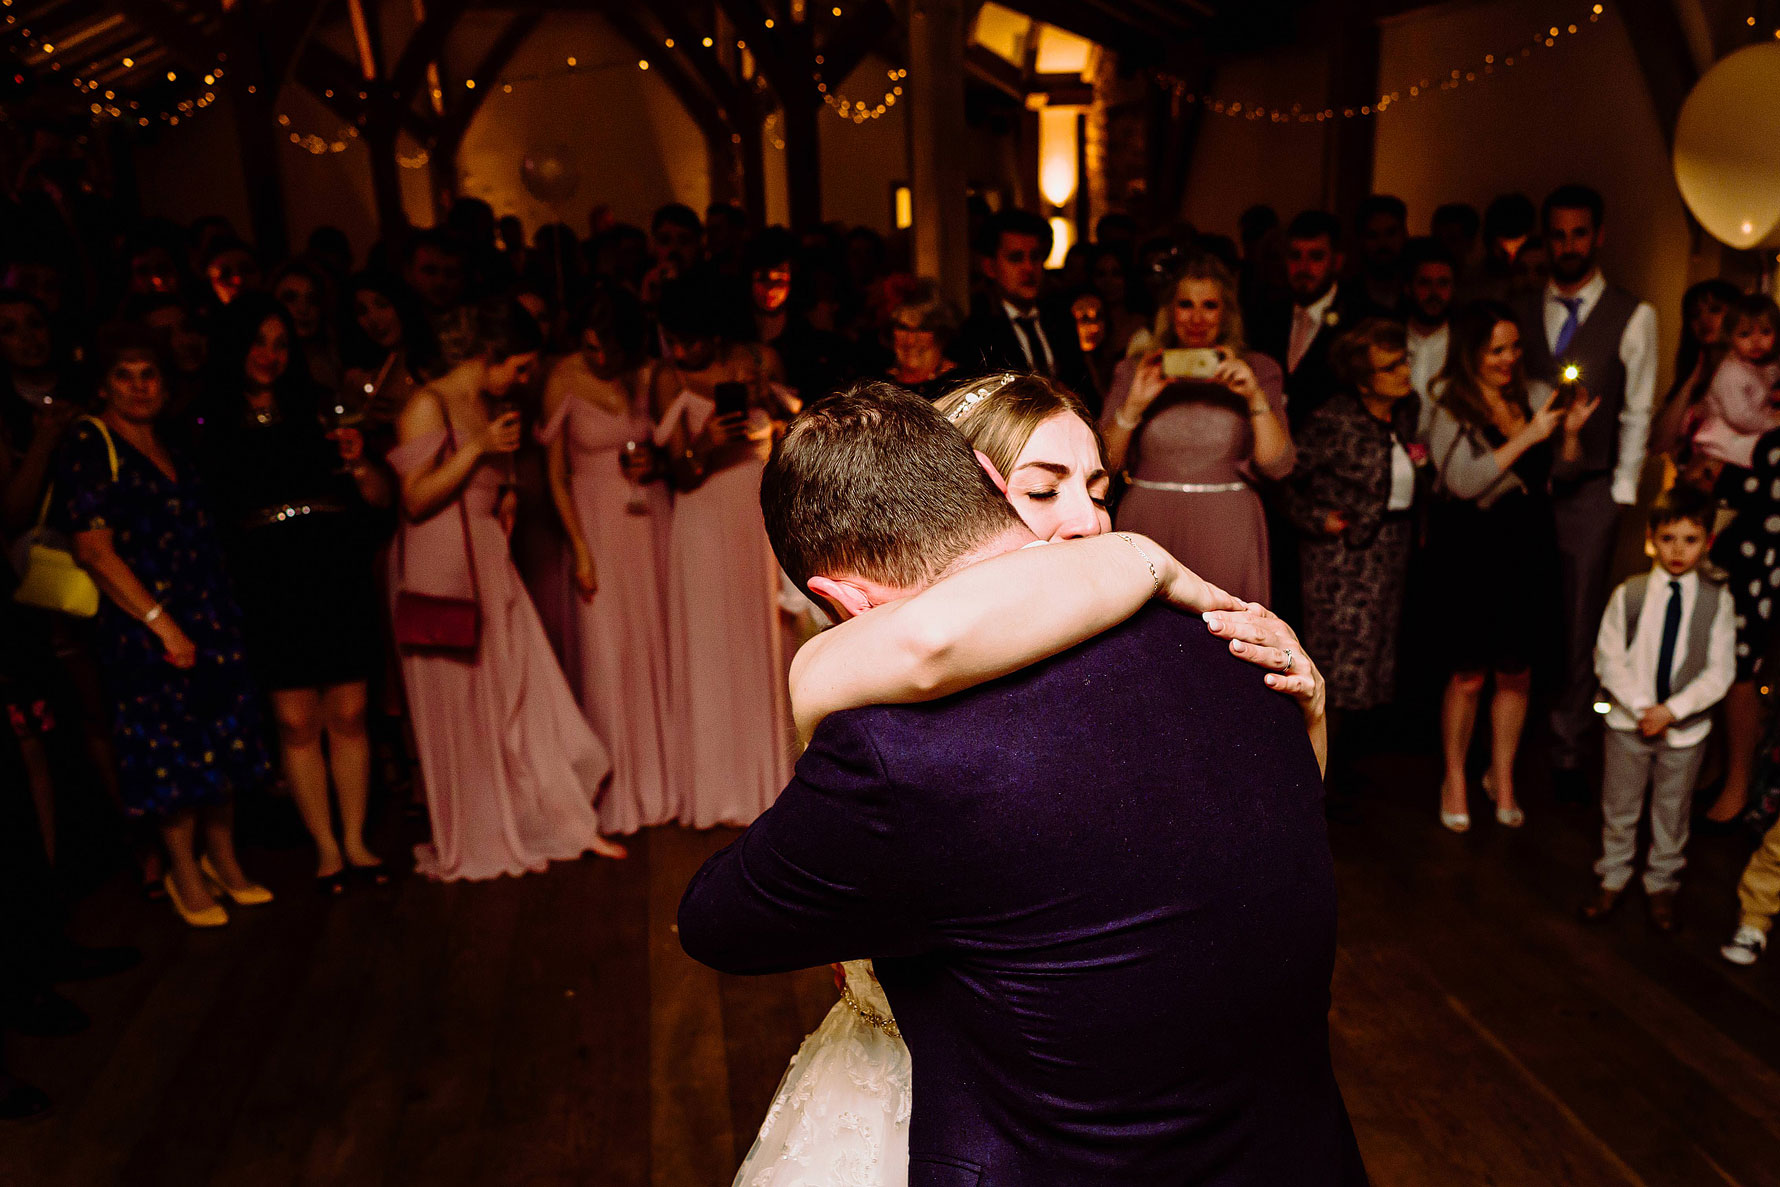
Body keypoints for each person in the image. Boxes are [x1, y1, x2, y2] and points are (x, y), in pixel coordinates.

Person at [683, 382, 1366, 1186]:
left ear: (839, 599)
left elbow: (714, 922)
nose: (1084, 520)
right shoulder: (1240, 646)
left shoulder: (894, 754)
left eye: (1097, 488)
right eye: (1044, 487)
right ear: (986, 479)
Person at [388, 299, 627, 880]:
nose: (525, 381)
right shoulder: (428, 404)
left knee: (526, 692)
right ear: (489, 355)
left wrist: (507, 489)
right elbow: (415, 500)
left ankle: (558, 820)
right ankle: (479, 830)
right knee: (464, 704)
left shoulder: (488, 402)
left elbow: (493, 476)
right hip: (440, 564)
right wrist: (478, 449)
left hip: (491, 556)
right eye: (519, 368)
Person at [55, 323, 275, 925]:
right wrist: (161, 624)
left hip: (209, 612)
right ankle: (184, 872)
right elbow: (94, 551)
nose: (138, 386)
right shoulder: (88, 442)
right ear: (103, 383)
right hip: (143, 624)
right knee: (170, 756)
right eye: (123, 374)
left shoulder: (173, 442)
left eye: (147, 373)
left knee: (222, 744)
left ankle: (224, 861)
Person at [199, 295, 393, 893]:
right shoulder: (211, 420)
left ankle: (356, 839)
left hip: (331, 563)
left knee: (351, 711)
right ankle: (325, 846)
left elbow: (380, 499)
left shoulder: (316, 408)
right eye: (259, 342)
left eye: (282, 343)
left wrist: (360, 466)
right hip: (268, 575)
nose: (270, 355)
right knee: (295, 719)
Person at [1513, 185, 1661, 803]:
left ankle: (1570, 743)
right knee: (1522, 609)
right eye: (1558, 234)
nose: (1568, 246)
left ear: (1598, 236)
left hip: (1592, 490)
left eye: (1579, 234)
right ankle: (1510, 737)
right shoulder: (1519, 305)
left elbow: (1638, 409)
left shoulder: (1634, 314)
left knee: (1578, 621)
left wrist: (1620, 495)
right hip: (1520, 486)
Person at [1428, 301, 1599, 831]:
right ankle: (1454, 775)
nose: (1508, 358)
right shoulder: (1450, 405)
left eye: (1514, 347)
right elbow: (1464, 482)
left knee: (1516, 672)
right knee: (1469, 674)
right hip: (1475, 550)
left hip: (1529, 545)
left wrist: (1568, 432)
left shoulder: (1533, 395)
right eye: (1495, 349)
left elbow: (1563, 473)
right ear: (1471, 353)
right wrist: (1530, 435)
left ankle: (1501, 776)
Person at [651, 279, 798, 828]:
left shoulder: (760, 360)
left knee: (761, 641)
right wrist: (707, 439)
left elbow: (796, 435)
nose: (682, 350)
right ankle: (715, 790)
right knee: (710, 648)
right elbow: (679, 473)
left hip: (755, 518)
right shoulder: (670, 377)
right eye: (673, 339)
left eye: (691, 339)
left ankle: (769, 782)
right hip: (701, 522)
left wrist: (772, 406)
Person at [538, 286, 677, 836]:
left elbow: (663, 446)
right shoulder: (563, 380)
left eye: (607, 350)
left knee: (651, 648)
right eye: (590, 347)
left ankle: (660, 784)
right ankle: (617, 790)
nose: (598, 360)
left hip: (646, 524)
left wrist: (655, 463)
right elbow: (555, 475)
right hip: (593, 526)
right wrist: (579, 551)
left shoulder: (642, 376)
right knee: (607, 654)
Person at [1581, 486, 1735, 931]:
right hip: (1629, 723)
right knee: (1621, 804)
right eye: (1668, 538)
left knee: (1673, 809)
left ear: (1705, 541)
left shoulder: (1716, 600)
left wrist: (1672, 711)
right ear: (1652, 538)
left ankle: (1661, 882)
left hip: (1685, 731)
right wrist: (1644, 707)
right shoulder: (1629, 595)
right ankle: (1612, 874)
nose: (1678, 550)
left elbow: (1719, 671)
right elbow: (1608, 657)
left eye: (1690, 540)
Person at [1102, 253, 1294, 606]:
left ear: (1226, 314)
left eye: (1209, 305)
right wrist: (1133, 405)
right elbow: (1102, 468)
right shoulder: (1137, 369)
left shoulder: (1258, 369)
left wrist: (1253, 395)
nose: (1196, 319)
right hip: (1148, 521)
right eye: (1185, 304)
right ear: (1169, 311)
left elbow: (1277, 466)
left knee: (1227, 634)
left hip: (1227, 524)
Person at [1289, 319, 1420, 797]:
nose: (1406, 371)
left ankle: (1343, 770)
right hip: (1340, 566)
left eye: (1404, 361)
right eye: (1392, 366)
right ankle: (1316, 781)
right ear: (1364, 378)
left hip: (1388, 554)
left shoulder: (1406, 416)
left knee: (1371, 666)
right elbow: (1286, 480)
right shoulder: (1332, 420)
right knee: (1337, 668)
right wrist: (1318, 518)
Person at [1701, 413, 1780, 826]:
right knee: (1724, 659)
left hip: (1765, 563)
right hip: (1740, 558)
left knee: (1743, 669)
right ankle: (1719, 769)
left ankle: (1738, 785)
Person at [953, 209, 1096, 408]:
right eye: (1016, 258)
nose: (1029, 268)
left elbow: (1085, 388)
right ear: (990, 267)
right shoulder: (977, 331)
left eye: (1036, 257)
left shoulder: (1059, 317)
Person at [1251, 210, 1361, 430]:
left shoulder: (1359, 320)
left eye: (1316, 257)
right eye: (1295, 256)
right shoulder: (1263, 315)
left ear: (1336, 262)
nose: (1303, 267)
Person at [1688, 294, 1779, 488]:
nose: (1756, 341)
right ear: (1730, 337)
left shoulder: (1765, 366)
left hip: (1744, 446)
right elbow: (1741, 417)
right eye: (1744, 334)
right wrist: (1774, 420)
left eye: (1765, 332)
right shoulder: (1731, 372)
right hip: (1722, 450)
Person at [1649, 279, 1740, 462]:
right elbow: (1658, 444)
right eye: (1695, 314)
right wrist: (1691, 381)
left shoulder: (1753, 374)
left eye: (1715, 310)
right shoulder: (1694, 377)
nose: (1704, 320)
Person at [1401, 239, 1457, 440]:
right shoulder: (1389, 340)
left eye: (1443, 283)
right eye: (1425, 283)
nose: (1434, 293)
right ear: (1408, 288)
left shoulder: (1464, 345)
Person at [883, 278, 958, 393]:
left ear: (941, 333)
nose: (911, 341)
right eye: (903, 328)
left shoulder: (958, 383)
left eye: (923, 329)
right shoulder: (880, 384)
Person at [1350, 194, 1408, 322]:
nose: (1383, 243)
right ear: (1361, 240)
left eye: (1391, 233)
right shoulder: (1346, 300)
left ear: (1405, 233)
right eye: (1373, 235)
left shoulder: (1420, 294)